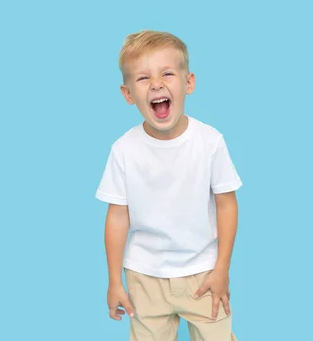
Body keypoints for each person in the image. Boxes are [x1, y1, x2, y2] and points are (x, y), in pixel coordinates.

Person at [95, 30, 242, 341]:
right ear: (127, 94)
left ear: (188, 83)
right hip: (144, 276)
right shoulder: (123, 150)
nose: (157, 84)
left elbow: (226, 204)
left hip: (203, 272)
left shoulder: (210, 142)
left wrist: (222, 268)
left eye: (167, 73)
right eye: (143, 78)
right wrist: (114, 281)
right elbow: (117, 217)